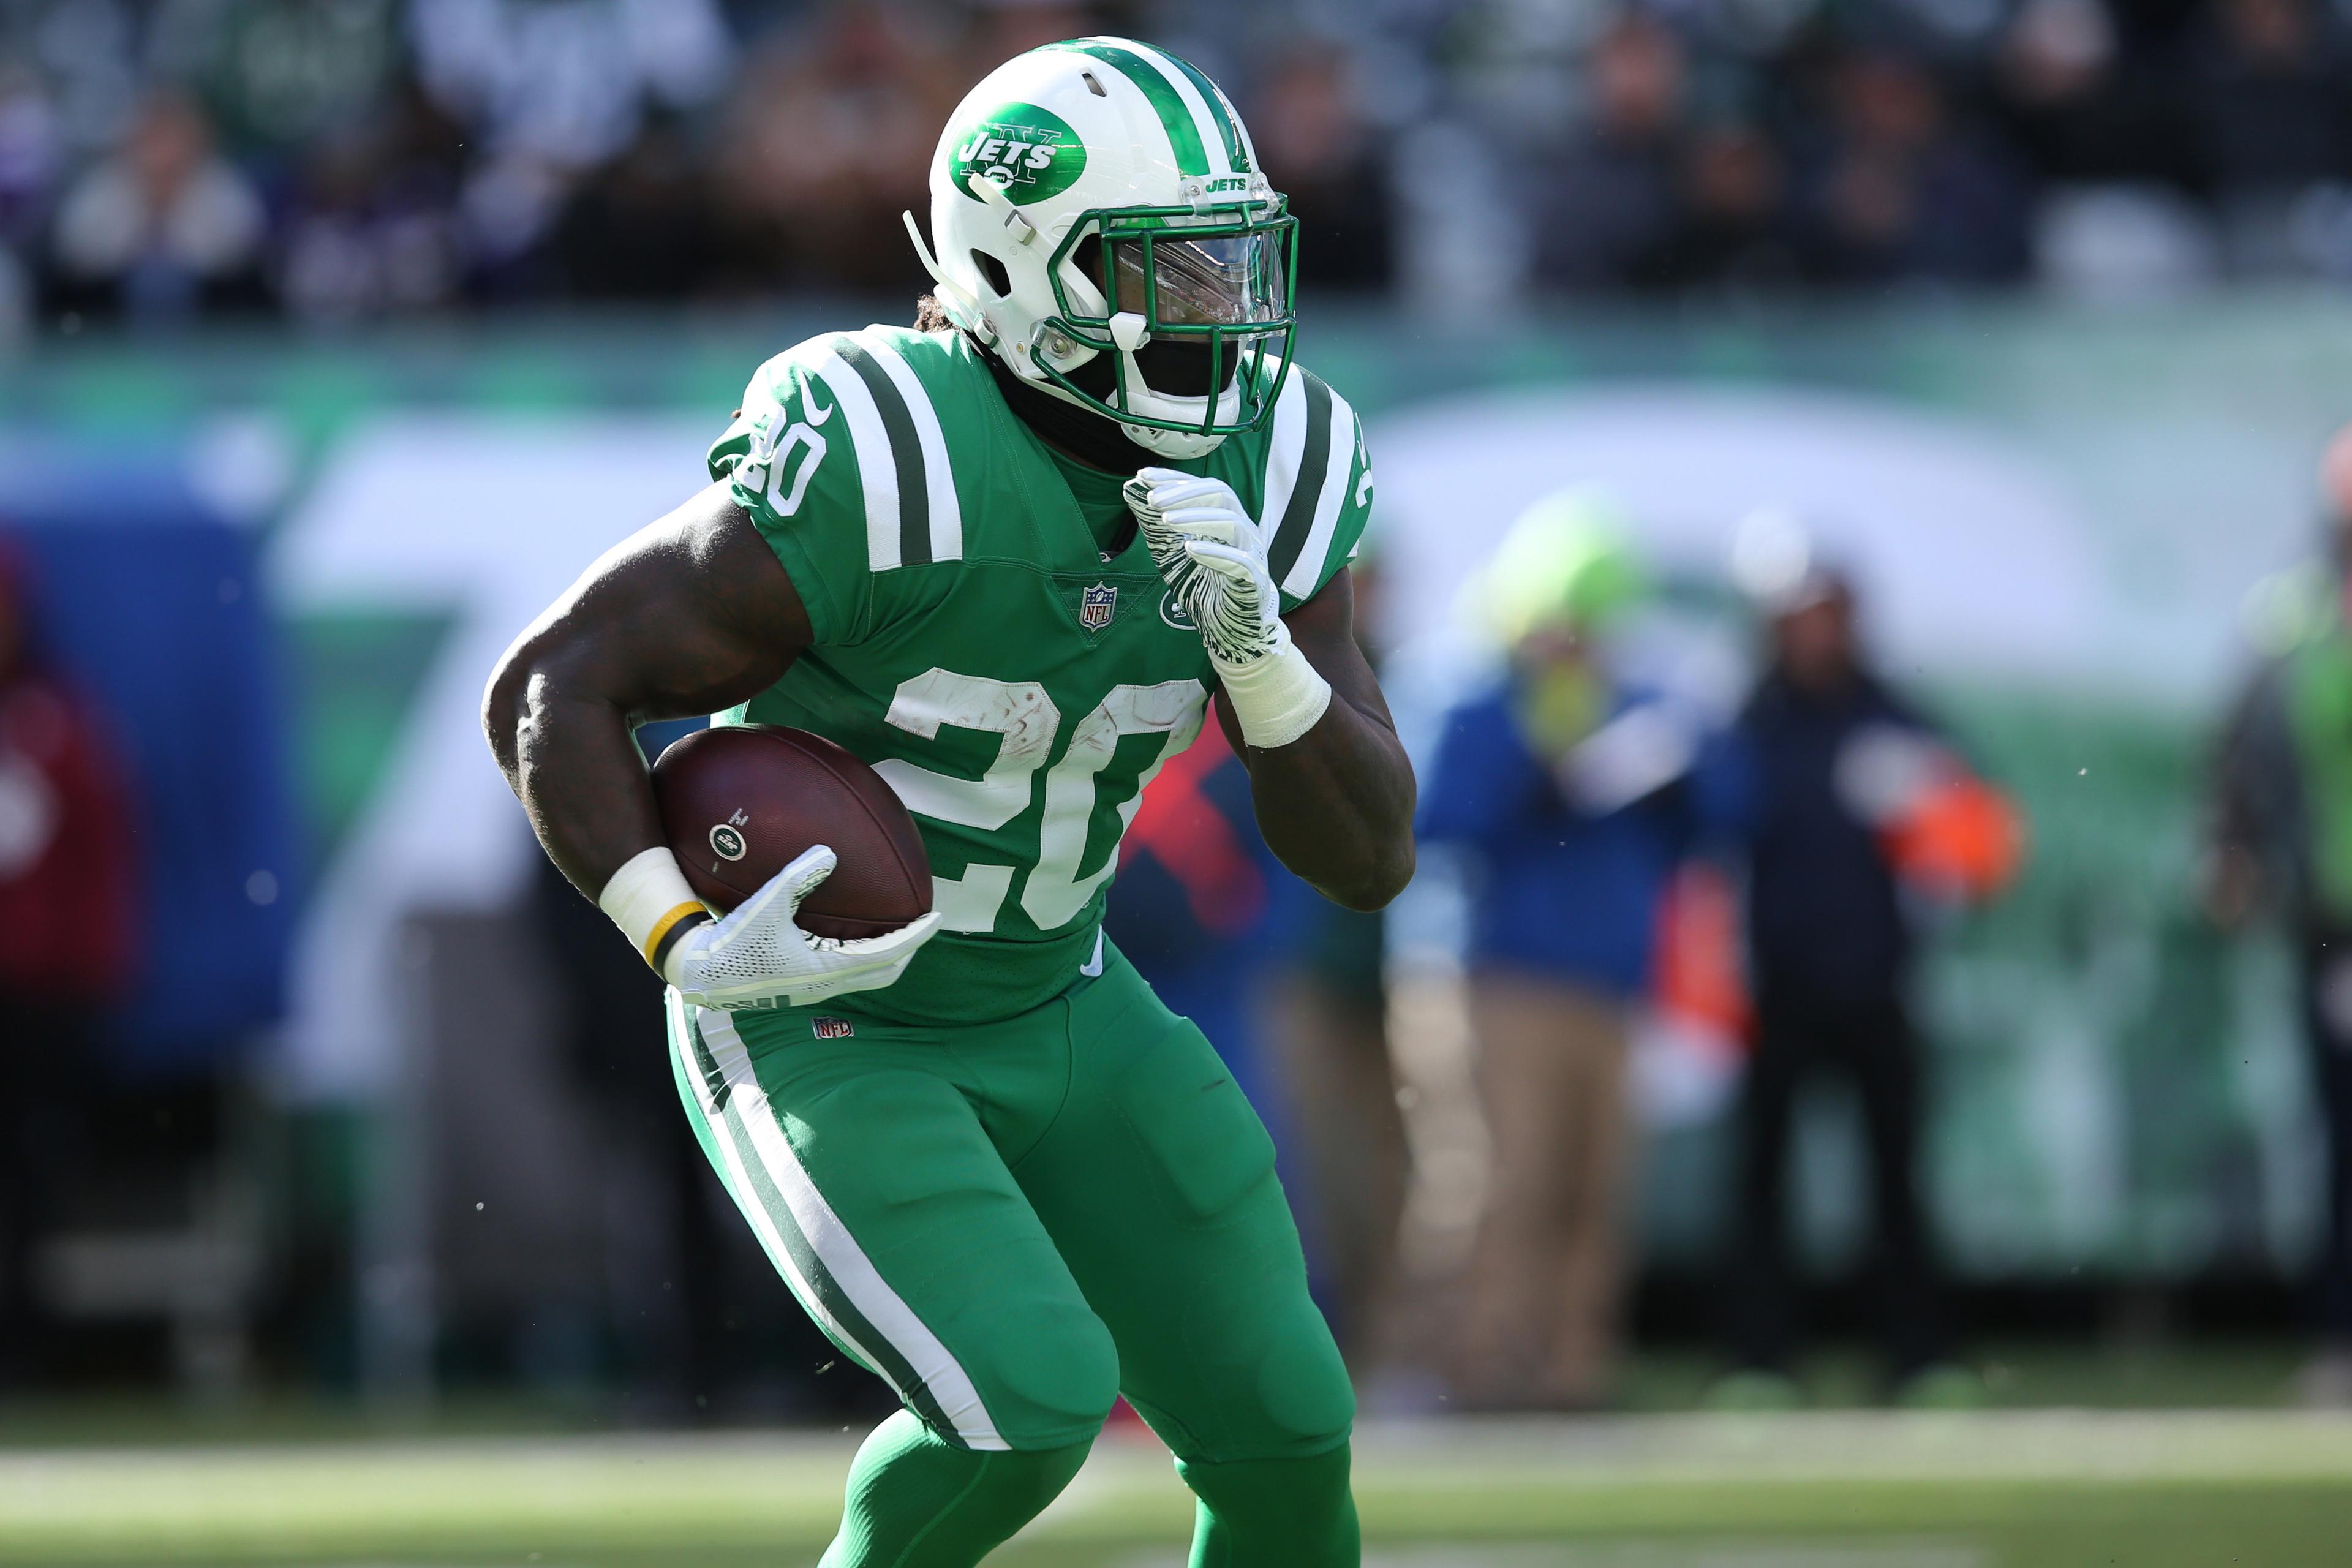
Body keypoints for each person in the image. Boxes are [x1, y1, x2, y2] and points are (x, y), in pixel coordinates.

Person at [484, 39, 1414, 1567]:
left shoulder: (1278, 459)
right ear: (1024, 268)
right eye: (1171, 273)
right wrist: (672, 931)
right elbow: (551, 687)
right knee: (1025, 1399)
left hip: (1063, 988)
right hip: (827, 1012)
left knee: (1287, 1421)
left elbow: (1369, 855)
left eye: (1236, 265)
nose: (1224, 313)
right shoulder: (885, 454)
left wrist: (1264, 660)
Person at [1420, 503, 1743, 1409]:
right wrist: (1548, 775)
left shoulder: (1643, 707)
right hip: (1504, 979)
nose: (1585, 641)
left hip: (1611, 982)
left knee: (1594, 1191)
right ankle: (1477, 1367)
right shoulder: (1480, 702)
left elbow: (1714, 827)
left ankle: (1573, 1370)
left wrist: (1694, 752)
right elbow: (1437, 825)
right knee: (1499, 1180)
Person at [1720, 560, 2016, 1406]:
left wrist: (1930, 804)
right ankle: (1759, 1362)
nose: (1820, 632)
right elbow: (1706, 848)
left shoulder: (1899, 717)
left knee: (1897, 1184)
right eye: (1804, 616)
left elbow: (1983, 852)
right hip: (1772, 987)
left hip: (1879, 984)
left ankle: (1917, 1359)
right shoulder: (1746, 718)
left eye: (1832, 614)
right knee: (1763, 1184)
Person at [2207, 424, 2352, 1406]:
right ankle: (2342, 1334)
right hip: (2338, 921)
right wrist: (2236, 849)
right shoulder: (2296, 619)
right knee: (2343, 1135)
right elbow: (2241, 746)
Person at [0, 541, 140, 1388]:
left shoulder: (57, 724)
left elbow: (101, 867)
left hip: (34, 1001)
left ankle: (22, 1349)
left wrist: (87, 981)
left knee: (27, 1182)